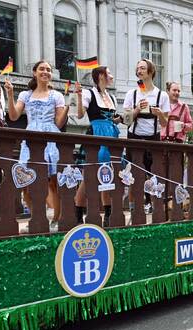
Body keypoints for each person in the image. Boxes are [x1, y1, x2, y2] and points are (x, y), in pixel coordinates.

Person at [4, 60, 68, 225]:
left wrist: (69, 106)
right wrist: (10, 95)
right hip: (31, 137)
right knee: (26, 181)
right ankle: (37, 217)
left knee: (53, 180)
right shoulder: (25, 95)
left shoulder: (57, 95)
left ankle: (56, 219)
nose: (45, 72)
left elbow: (59, 123)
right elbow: (13, 116)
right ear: (34, 72)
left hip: (51, 136)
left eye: (48, 69)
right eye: (42, 69)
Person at [75, 66, 122, 227]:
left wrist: (119, 119)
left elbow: (113, 118)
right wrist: (79, 96)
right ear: (101, 76)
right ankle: (78, 213)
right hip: (97, 134)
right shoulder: (89, 93)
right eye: (109, 73)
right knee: (88, 176)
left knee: (107, 175)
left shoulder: (112, 97)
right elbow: (80, 114)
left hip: (111, 136)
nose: (112, 76)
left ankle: (108, 214)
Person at [123, 59, 170, 213]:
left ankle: (149, 203)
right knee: (133, 172)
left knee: (151, 172)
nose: (139, 71)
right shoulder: (132, 93)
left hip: (152, 138)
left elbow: (164, 124)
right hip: (134, 136)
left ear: (150, 71)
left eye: (143, 68)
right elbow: (126, 121)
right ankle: (133, 205)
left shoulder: (162, 95)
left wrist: (159, 113)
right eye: (138, 68)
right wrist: (136, 110)